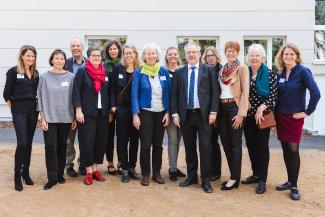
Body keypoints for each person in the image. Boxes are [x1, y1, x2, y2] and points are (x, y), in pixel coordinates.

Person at [274, 43, 320, 200]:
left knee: (293, 149)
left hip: (294, 118)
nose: (288, 56)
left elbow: (316, 93)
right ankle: (289, 180)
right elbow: (277, 96)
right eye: (285, 54)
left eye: (291, 54)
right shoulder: (280, 73)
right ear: (281, 57)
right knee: (286, 149)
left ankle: (294, 186)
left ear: (297, 56)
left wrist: (307, 112)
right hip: (280, 117)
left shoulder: (303, 72)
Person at [171, 42, 218, 193]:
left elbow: (214, 93)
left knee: (205, 147)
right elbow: (174, 95)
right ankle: (192, 177)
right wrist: (175, 114)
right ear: (185, 54)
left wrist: (213, 112)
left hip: (204, 116)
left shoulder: (209, 70)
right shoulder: (180, 72)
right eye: (189, 52)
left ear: (199, 53)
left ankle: (205, 179)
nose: (191, 55)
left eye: (194, 52)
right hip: (186, 116)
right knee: (190, 148)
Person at [131, 43, 171, 186]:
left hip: (161, 113)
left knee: (158, 145)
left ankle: (157, 173)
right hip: (145, 113)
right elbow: (134, 94)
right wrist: (135, 114)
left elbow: (168, 93)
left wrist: (168, 112)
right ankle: (146, 174)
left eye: (153, 53)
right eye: (148, 53)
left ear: (157, 55)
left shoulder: (163, 71)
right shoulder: (139, 72)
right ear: (144, 56)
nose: (151, 56)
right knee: (146, 144)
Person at [37, 49, 76, 190]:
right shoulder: (44, 77)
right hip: (49, 118)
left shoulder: (71, 77)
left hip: (66, 118)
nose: (59, 61)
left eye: (62, 58)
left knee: (62, 147)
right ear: (52, 60)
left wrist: (73, 117)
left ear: (65, 61)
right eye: (57, 58)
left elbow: (74, 98)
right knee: (50, 147)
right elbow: (39, 98)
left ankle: (60, 175)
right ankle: (52, 178)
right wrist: (42, 118)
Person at [3, 45, 39, 191]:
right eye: (28, 55)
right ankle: (17, 176)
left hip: (33, 111)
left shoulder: (35, 73)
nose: (30, 58)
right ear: (22, 56)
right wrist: (14, 111)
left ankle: (26, 173)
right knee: (22, 143)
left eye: (33, 56)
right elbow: (6, 94)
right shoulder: (13, 72)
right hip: (19, 111)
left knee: (29, 143)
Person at [242, 44, 277, 194]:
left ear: (262, 57)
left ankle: (262, 179)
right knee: (250, 145)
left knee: (262, 147)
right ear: (248, 57)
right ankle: (256, 174)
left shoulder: (269, 73)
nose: (254, 58)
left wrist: (262, 107)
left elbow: (274, 95)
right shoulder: (245, 72)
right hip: (248, 116)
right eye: (251, 55)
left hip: (262, 116)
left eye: (257, 55)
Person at [73, 46, 110, 185]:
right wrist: (78, 110)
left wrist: (110, 109)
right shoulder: (82, 71)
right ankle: (88, 171)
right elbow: (76, 92)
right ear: (88, 57)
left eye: (99, 55)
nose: (97, 58)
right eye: (94, 55)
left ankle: (95, 169)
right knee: (87, 142)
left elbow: (109, 91)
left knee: (100, 142)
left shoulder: (105, 71)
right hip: (87, 113)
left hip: (103, 112)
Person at [218, 41, 249, 191]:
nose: (230, 53)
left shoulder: (242, 68)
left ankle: (234, 178)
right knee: (226, 143)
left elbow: (245, 92)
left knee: (235, 145)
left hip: (235, 108)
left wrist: (241, 114)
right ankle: (233, 175)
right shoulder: (223, 69)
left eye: (233, 50)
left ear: (237, 52)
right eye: (228, 50)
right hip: (222, 107)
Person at [110, 44, 140, 183]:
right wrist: (113, 106)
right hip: (121, 109)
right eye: (126, 53)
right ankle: (123, 168)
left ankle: (132, 166)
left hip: (136, 110)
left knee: (135, 139)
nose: (128, 55)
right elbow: (111, 89)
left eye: (130, 53)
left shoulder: (140, 70)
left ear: (135, 54)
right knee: (122, 139)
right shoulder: (118, 68)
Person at [65, 38, 87, 177]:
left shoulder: (91, 63)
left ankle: (83, 164)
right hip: (68, 107)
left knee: (85, 139)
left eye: (78, 45)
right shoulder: (65, 63)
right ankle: (69, 165)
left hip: (86, 107)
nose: (75, 48)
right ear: (70, 48)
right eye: (73, 46)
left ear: (82, 47)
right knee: (69, 140)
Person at [164, 47, 186, 181]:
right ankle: (172, 169)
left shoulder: (184, 71)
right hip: (170, 111)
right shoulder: (163, 71)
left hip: (183, 111)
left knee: (178, 140)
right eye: (170, 54)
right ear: (167, 57)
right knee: (172, 140)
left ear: (178, 56)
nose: (172, 56)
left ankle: (174, 165)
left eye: (175, 54)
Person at [201, 46, 223, 181]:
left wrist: (215, 112)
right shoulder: (203, 69)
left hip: (220, 111)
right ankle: (208, 170)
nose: (210, 58)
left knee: (214, 142)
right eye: (208, 56)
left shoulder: (221, 70)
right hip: (206, 111)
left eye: (212, 55)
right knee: (208, 142)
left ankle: (216, 171)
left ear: (216, 57)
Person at [103, 40, 122, 175]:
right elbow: (106, 89)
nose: (113, 51)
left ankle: (121, 162)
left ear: (119, 50)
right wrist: (110, 108)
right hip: (108, 106)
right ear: (107, 51)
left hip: (122, 107)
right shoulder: (104, 66)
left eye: (115, 48)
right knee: (109, 136)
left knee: (121, 136)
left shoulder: (124, 64)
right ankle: (110, 162)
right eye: (111, 49)